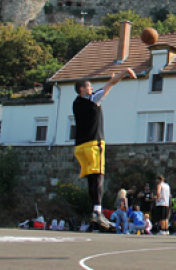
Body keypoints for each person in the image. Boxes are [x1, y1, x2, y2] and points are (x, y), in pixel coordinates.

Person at [72, 68, 136, 230]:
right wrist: (123, 73)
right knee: (99, 176)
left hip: (80, 146)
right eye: (89, 86)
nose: (91, 88)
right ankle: (97, 212)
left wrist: (112, 81)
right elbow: (108, 88)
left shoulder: (76, 103)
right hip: (93, 144)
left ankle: (94, 211)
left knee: (91, 179)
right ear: (82, 90)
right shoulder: (91, 100)